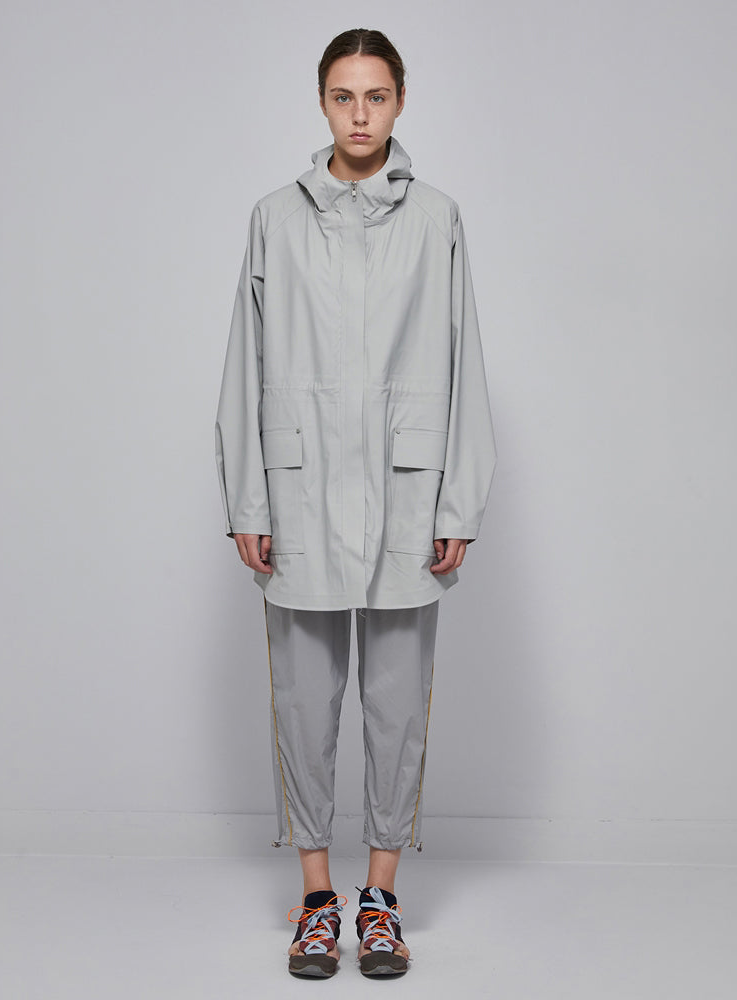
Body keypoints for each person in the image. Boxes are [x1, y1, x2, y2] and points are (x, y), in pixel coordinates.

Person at [215, 28, 495, 978]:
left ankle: (379, 897)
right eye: (344, 96)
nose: (360, 114)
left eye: (376, 96)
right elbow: (244, 364)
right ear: (322, 102)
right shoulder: (273, 218)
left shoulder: (437, 218)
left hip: (407, 495)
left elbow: (464, 360)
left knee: (394, 706)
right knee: (303, 702)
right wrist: (247, 498)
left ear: (400, 101)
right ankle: (314, 899)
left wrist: (456, 505)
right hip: (297, 494)